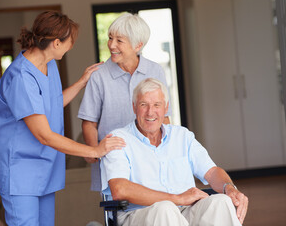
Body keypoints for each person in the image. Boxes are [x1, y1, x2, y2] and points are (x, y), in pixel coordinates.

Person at [0, 11, 125, 226]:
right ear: (56, 43)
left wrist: (82, 81)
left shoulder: (49, 64)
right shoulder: (21, 77)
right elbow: (44, 135)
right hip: (20, 172)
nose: (71, 46)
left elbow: (51, 104)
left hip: (44, 167)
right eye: (70, 41)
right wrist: (94, 150)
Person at [100, 78, 248, 226]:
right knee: (165, 208)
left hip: (184, 212)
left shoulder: (182, 136)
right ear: (134, 107)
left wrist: (229, 188)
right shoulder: (118, 139)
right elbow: (120, 189)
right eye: (143, 104)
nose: (150, 112)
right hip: (138, 215)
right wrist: (176, 198)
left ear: (166, 107)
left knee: (221, 201)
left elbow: (212, 172)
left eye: (157, 105)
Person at [78, 13, 172, 191]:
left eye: (119, 41)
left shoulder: (154, 70)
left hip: (149, 160)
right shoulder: (99, 76)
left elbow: (164, 118)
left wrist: (164, 151)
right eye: (110, 38)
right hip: (113, 162)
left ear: (138, 45)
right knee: (119, 215)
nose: (112, 45)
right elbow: (89, 122)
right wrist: (93, 152)